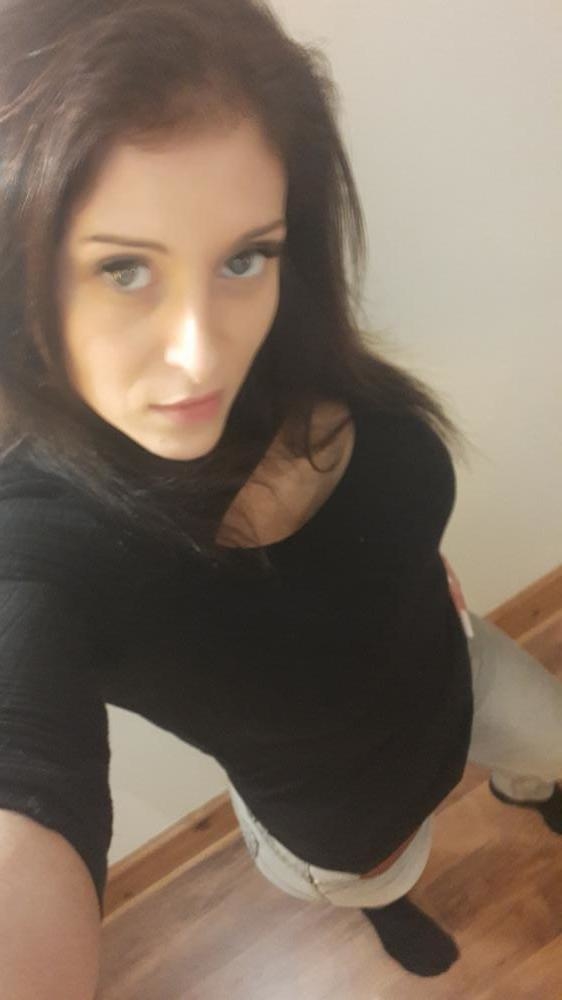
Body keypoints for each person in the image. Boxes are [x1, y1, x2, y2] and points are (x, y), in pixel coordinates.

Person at [0, 0, 560, 991]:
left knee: (552, 743)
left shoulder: (301, 352)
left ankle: (528, 788)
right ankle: (385, 906)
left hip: (458, 664)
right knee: (380, 874)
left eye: (243, 255)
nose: (200, 351)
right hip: (341, 815)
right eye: (123, 269)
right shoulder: (38, 542)